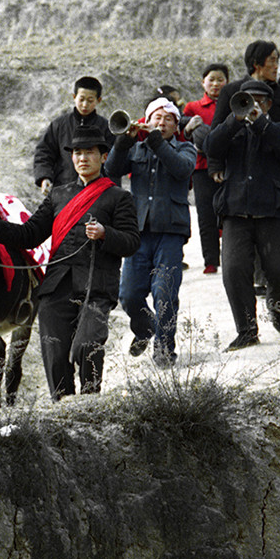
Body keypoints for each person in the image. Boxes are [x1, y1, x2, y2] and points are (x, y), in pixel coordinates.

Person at [0, 125, 139, 400]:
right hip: (57, 285)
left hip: (97, 285)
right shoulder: (58, 195)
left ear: (104, 157)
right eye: (78, 153)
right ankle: (63, 407)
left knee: (87, 345)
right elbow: (29, 235)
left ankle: (89, 402)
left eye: (90, 152)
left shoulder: (119, 197)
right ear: (71, 158)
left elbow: (132, 242)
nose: (83, 158)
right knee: (55, 351)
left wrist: (106, 234)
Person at [204, 80, 280, 351]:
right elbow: (211, 146)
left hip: (273, 211)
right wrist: (234, 121)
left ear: (269, 104)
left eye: (259, 100)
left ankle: (276, 305)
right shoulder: (231, 129)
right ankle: (246, 330)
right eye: (248, 100)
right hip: (236, 211)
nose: (253, 105)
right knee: (234, 271)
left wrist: (261, 123)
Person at [104, 97, 197, 366]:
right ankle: (145, 329)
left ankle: (165, 349)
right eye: (156, 117)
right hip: (138, 231)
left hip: (171, 232)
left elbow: (181, 170)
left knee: (164, 292)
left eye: (168, 119)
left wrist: (156, 141)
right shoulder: (136, 149)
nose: (162, 122)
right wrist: (124, 141)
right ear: (146, 120)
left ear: (176, 125)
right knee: (129, 294)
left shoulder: (185, 148)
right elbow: (111, 171)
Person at [33, 76, 115, 195]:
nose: (85, 105)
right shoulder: (59, 125)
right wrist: (44, 177)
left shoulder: (106, 127)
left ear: (99, 100)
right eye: (81, 99)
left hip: (96, 192)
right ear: (74, 97)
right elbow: (44, 152)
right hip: (63, 189)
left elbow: (112, 162)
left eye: (90, 100)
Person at [183, 63, 229, 274]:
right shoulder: (193, 108)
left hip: (229, 166)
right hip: (201, 168)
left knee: (229, 212)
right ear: (203, 82)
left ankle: (230, 256)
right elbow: (183, 132)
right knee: (205, 214)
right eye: (211, 79)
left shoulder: (232, 105)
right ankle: (211, 260)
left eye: (220, 79)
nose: (216, 83)